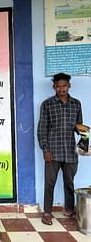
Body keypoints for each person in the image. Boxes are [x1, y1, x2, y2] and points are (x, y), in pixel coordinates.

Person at [37, 72, 83, 225]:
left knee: (69, 182)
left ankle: (69, 209)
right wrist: (45, 149)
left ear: (69, 86)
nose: (61, 89)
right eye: (58, 86)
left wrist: (86, 140)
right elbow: (42, 129)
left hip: (70, 151)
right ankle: (47, 212)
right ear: (54, 87)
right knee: (50, 183)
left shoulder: (76, 104)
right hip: (53, 152)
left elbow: (79, 127)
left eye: (64, 86)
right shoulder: (47, 104)